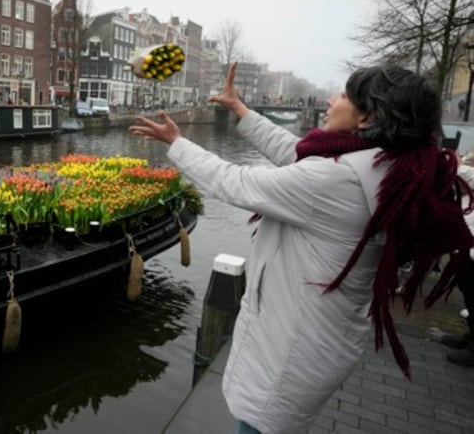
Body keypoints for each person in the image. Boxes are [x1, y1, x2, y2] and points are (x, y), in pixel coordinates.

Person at [129, 62, 473, 433]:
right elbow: (297, 154)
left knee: (260, 425)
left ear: (368, 117)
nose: (330, 98)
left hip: (287, 351)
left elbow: (235, 182)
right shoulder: (381, 165)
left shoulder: (338, 178)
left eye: (343, 94)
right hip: (322, 340)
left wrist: (176, 143)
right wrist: (241, 110)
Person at [443, 156, 474, 366]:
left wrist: (455, 164)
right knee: (467, 289)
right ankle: (470, 336)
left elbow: (467, 175)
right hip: (468, 240)